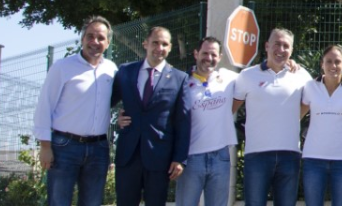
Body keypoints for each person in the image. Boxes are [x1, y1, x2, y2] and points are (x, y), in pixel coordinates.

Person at [33, 16, 118, 206]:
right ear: (82, 39)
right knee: (59, 201)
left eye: (101, 38)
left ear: (108, 42)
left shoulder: (111, 70)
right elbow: (44, 106)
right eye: (90, 36)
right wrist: (45, 147)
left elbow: (113, 102)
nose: (95, 42)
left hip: (99, 148)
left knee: (92, 202)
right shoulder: (63, 68)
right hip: (65, 147)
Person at [111, 26, 191, 206]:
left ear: (170, 47)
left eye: (164, 44)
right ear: (145, 44)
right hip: (128, 155)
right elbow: (106, 102)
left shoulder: (180, 79)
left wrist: (179, 158)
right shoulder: (125, 72)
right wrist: (118, 117)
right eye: (155, 42)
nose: (159, 48)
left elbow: (183, 121)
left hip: (159, 157)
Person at [233, 28, 312, 206]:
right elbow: (231, 108)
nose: (281, 49)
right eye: (277, 44)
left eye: (286, 46)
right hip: (256, 155)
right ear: (267, 46)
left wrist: (294, 117)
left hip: (290, 155)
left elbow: (312, 100)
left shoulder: (301, 76)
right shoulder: (247, 76)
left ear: (291, 51)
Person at [174, 37, 239, 206]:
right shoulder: (182, 82)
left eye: (213, 54)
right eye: (205, 53)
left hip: (220, 157)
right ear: (196, 53)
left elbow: (256, 80)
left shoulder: (229, 78)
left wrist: (290, 65)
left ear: (220, 57)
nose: (209, 58)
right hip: (191, 158)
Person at [301, 45, 342, 206]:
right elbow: (296, 116)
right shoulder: (310, 87)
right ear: (322, 64)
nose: (333, 66)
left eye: (338, 61)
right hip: (313, 159)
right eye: (328, 61)